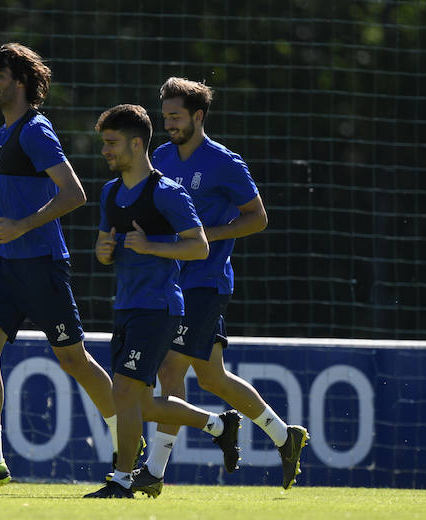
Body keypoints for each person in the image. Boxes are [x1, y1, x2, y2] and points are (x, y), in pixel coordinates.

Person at [0, 43, 125, 489]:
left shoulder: (34, 130)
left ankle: (127, 438)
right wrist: (15, 233)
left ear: (20, 83)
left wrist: (22, 225)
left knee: (74, 360)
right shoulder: (4, 132)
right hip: (7, 265)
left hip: (42, 265)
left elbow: (74, 193)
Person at [130, 77, 309, 497]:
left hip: (205, 282)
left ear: (198, 116)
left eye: (176, 117)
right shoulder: (160, 156)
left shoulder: (225, 163)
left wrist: (206, 234)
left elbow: (258, 217)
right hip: (173, 279)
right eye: (165, 116)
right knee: (212, 378)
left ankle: (153, 471)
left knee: (169, 371)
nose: (169, 124)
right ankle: (285, 437)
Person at [84, 104, 241, 499]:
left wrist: (151, 245)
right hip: (126, 306)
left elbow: (200, 247)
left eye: (111, 143)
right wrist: (103, 250)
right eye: (104, 142)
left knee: (122, 393)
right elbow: (107, 250)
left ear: (137, 145)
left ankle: (122, 480)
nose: (105, 150)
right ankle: (218, 425)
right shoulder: (110, 192)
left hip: (160, 308)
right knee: (140, 404)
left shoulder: (168, 193)